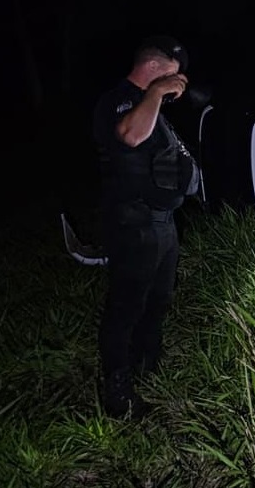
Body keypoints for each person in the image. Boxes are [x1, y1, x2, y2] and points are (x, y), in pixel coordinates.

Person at [92, 35, 200, 418]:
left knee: (159, 300)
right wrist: (156, 92)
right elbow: (130, 136)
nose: (178, 87)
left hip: (162, 224)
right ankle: (117, 393)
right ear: (154, 68)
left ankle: (147, 368)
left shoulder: (154, 107)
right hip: (133, 225)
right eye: (174, 78)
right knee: (126, 307)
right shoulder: (118, 100)